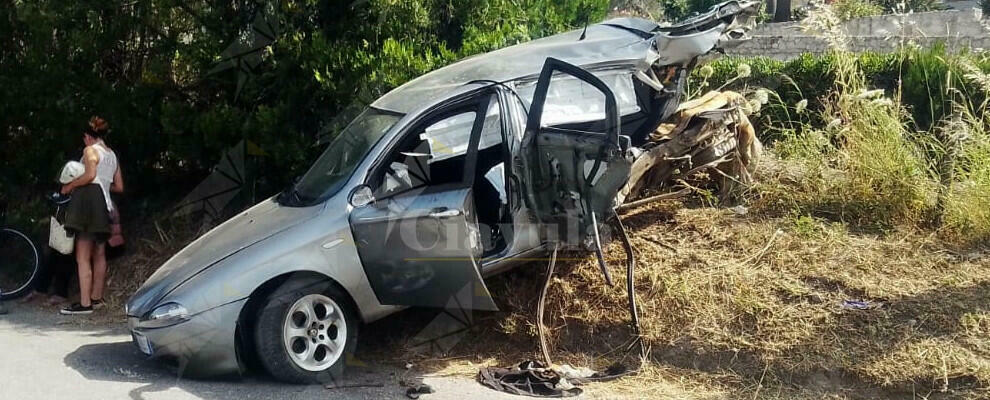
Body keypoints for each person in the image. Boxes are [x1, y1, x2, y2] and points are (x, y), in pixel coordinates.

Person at [59, 116, 124, 315]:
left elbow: (89, 175)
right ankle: (97, 297)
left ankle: (85, 303)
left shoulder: (90, 151)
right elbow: (119, 186)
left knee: (83, 255)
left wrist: (70, 186)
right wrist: (104, 184)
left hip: (88, 204)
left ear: (88, 136)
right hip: (104, 204)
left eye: (84, 137)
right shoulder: (112, 155)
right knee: (100, 253)